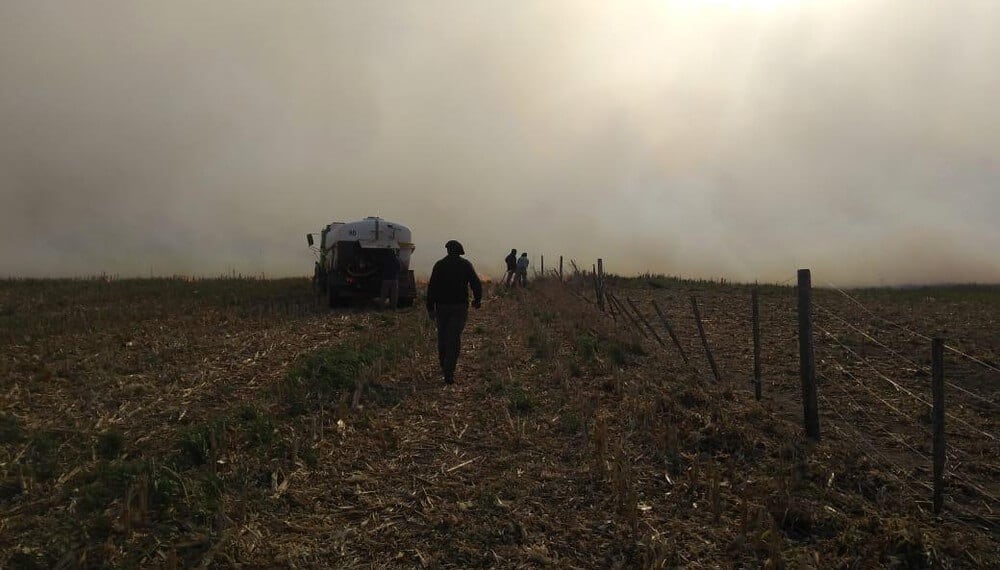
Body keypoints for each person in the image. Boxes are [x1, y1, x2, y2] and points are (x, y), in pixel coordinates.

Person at [426, 240, 482, 384]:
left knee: (443, 337)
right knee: (453, 338)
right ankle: (449, 371)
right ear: (460, 252)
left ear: (448, 250)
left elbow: (432, 287)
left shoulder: (439, 265)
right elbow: (476, 283)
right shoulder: (465, 265)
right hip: (459, 307)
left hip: (442, 307)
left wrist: (430, 308)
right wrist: (477, 300)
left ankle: (444, 364)